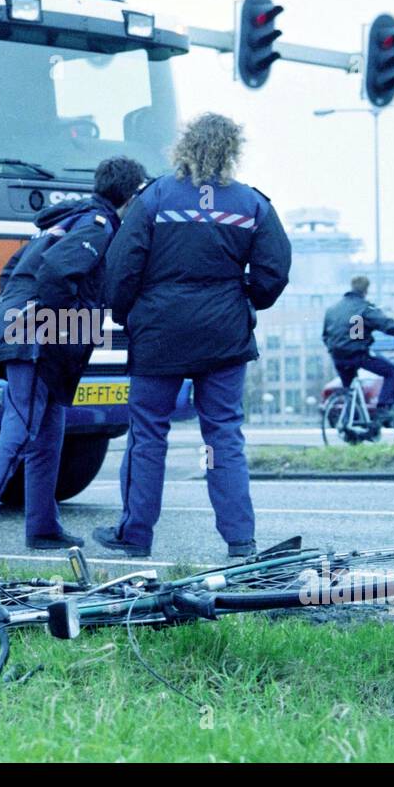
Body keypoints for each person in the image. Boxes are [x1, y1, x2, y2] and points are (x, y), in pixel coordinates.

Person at [91, 113, 292, 559]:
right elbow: (273, 271)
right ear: (232, 150)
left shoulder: (154, 197)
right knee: (222, 435)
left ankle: (136, 534)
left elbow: (122, 267)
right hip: (223, 335)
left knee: (148, 434)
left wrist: (128, 315)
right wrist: (245, 302)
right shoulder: (252, 204)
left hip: (160, 334)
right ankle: (240, 539)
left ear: (183, 148)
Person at [0, 156, 148, 556]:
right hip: (38, 336)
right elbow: (56, 274)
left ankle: (43, 526)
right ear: (130, 198)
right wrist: (56, 327)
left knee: (48, 432)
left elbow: (12, 274)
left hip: (29, 328)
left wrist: (20, 314)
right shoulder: (97, 227)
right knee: (24, 425)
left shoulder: (66, 221)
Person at [322, 276, 394, 434]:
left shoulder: (332, 309)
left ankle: (348, 426)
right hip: (358, 354)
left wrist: (333, 349)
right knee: (392, 372)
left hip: (337, 357)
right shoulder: (365, 308)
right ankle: (383, 411)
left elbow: (325, 335)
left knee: (350, 389)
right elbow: (388, 326)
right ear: (366, 290)